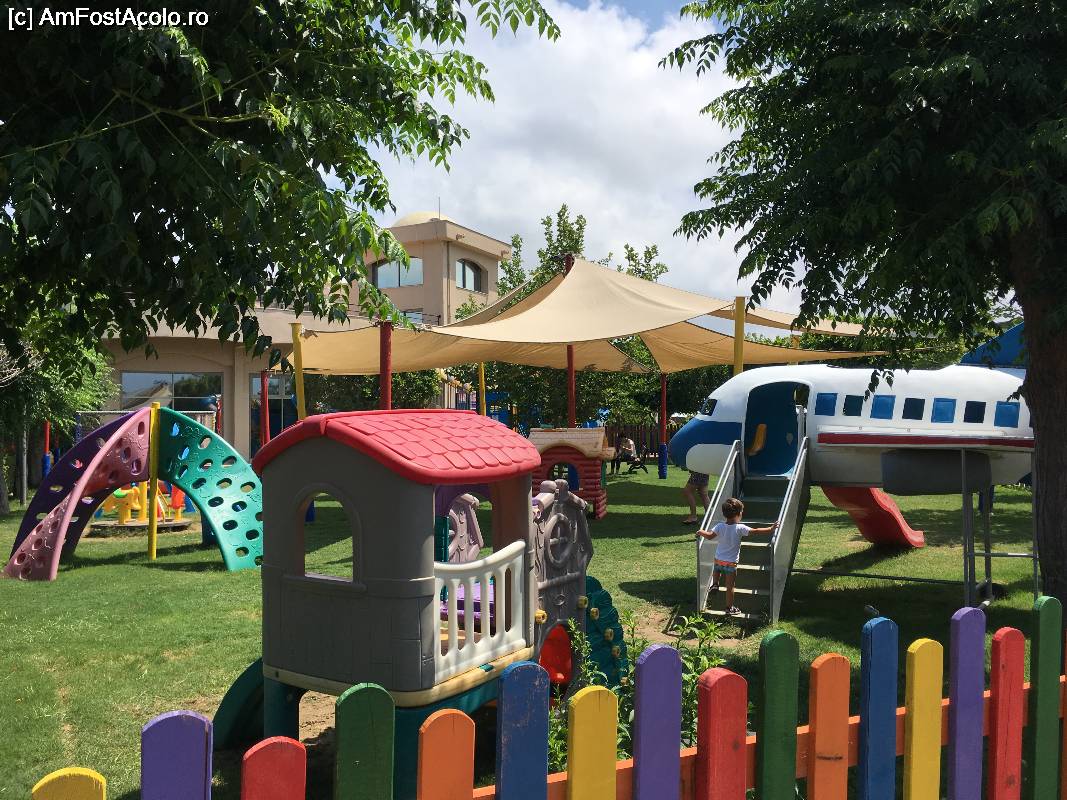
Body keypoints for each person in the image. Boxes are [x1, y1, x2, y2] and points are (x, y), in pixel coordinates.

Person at [697, 497, 777, 615]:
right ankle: (729, 608)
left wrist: (700, 532)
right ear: (739, 514)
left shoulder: (719, 526)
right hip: (731, 563)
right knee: (730, 587)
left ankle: (715, 583)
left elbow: (709, 536)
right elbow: (755, 531)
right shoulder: (740, 528)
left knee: (717, 570)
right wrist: (770, 529)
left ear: (724, 514)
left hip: (718, 560)